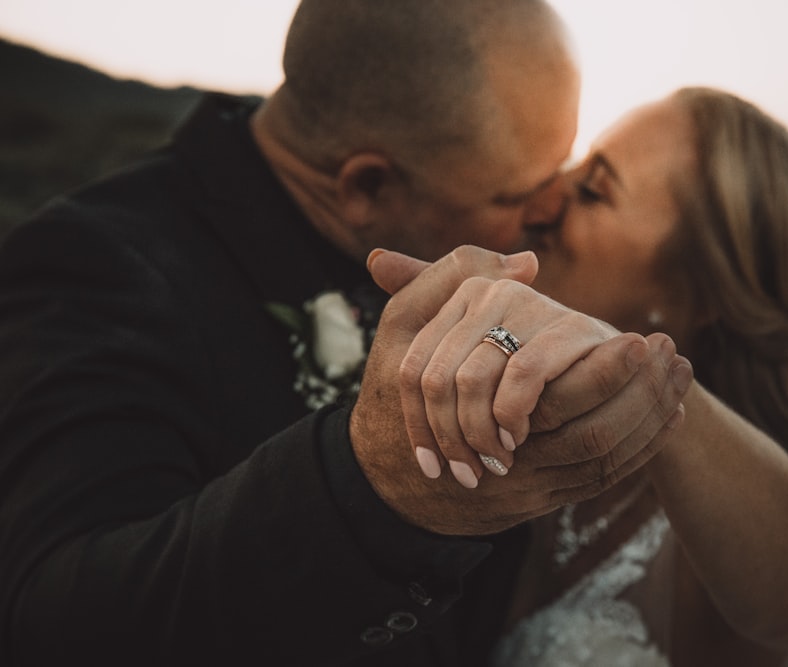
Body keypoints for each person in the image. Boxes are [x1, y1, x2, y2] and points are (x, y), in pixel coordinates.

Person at [0, 2, 694, 664]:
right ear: (365, 186)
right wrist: (374, 487)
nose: (545, 216)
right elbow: (55, 626)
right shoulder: (90, 263)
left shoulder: (472, 261)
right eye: (514, 197)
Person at [386, 87, 788, 666]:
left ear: (701, 296)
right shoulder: (514, 407)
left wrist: (636, 366)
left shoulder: (738, 511)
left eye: (592, 191)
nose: (542, 202)